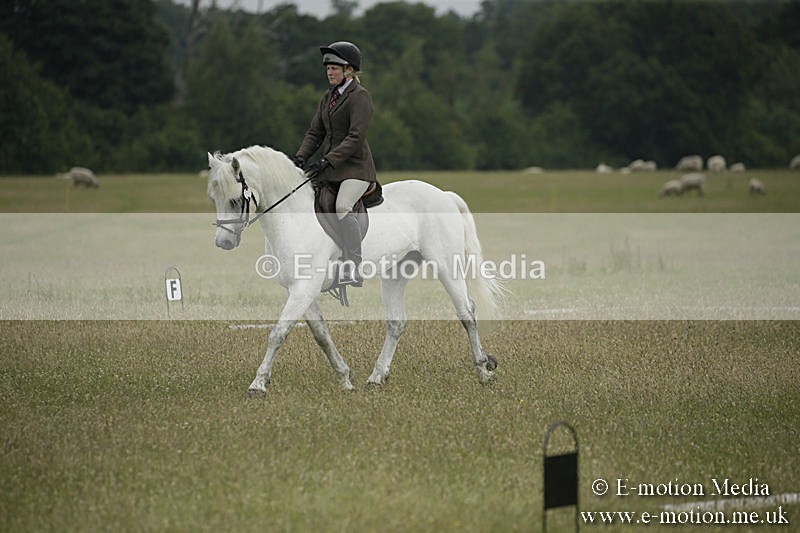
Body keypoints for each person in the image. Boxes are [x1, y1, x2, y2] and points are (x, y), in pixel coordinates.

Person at [293, 41, 377, 287]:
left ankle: (354, 266)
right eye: (328, 68)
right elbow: (315, 133)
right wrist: (300, 157)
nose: (329, 72)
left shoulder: (360, 97)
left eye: (334, 68)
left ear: (349, 70)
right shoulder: (328, 97)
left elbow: (355, 137)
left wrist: (328, 160)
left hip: (356, 169)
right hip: (331, 168)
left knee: (342, 207)